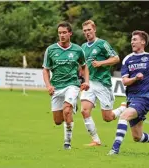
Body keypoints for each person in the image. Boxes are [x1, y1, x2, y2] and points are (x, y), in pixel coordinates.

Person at [42, 21, 90, 150]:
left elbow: (85, 67)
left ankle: (67, 143)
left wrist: (86, 81)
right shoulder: (51, 50)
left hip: (72, 85)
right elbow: (45, 69)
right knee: (58, 121)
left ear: (70, 33)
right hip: (56, 86)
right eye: (59, 33)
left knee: (67, 110)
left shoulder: (77, 50)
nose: (62, 35)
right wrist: (48, 86)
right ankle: (69, 110)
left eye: (64, 32)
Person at [80, 20, 126, 147]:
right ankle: (96, 140)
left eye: (89, 30)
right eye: (85, 31)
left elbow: (116, 58)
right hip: (89, 83)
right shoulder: (83, 47)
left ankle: (123, 108)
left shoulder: (102, 44)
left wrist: (101, 63)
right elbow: (82, 66)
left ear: (94, 29)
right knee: (84, 111)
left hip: (102, 83)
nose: (87, 33)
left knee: (107, 117)